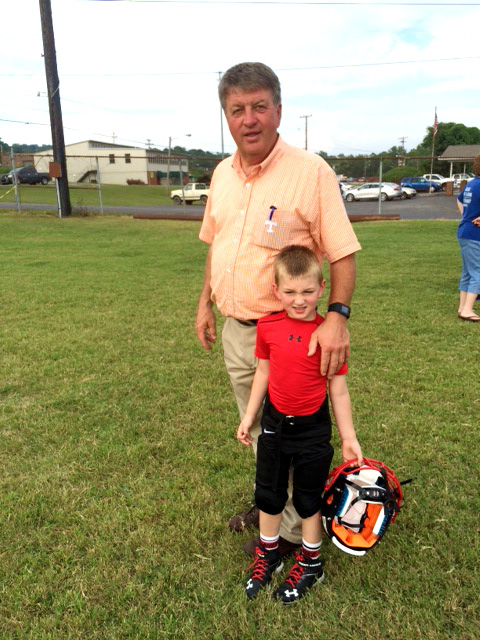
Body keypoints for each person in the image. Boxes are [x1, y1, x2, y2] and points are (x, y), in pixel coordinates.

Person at [196, 62, 361, 556]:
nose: (249, 119)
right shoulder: (222, 173)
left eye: (259, 107)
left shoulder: (310, 172)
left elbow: (343, 252)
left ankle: (292, 532)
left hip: (292, 339)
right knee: (264, 431)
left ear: (278, 111)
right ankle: (271, 504)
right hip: (238, 331)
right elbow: (216, 242)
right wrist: (204, 303)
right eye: (237, 109)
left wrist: (336, 318)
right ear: (227, 116)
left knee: (295, 430)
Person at [237, 245, 363, 603]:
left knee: (308, 499)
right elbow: (262, 372)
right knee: (269, 494)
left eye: (308, 291)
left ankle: (311, 563)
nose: (299, 300)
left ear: (322, 288)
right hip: (275, 425)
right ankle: (268, 553)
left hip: (313, 428)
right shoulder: (268, 327)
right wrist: (249, 417)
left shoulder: (329, 335)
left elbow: (338, 391)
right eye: (290, 292)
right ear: (276, 291)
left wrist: (349, 438)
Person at [457, 154, 480, 322]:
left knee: (467, 272)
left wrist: (465, 216)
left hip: (464, 232)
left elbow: (459, 200)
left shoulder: (472, 183)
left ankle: (462, 307)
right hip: (475, 235)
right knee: (477, 272)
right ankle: (467, 309)